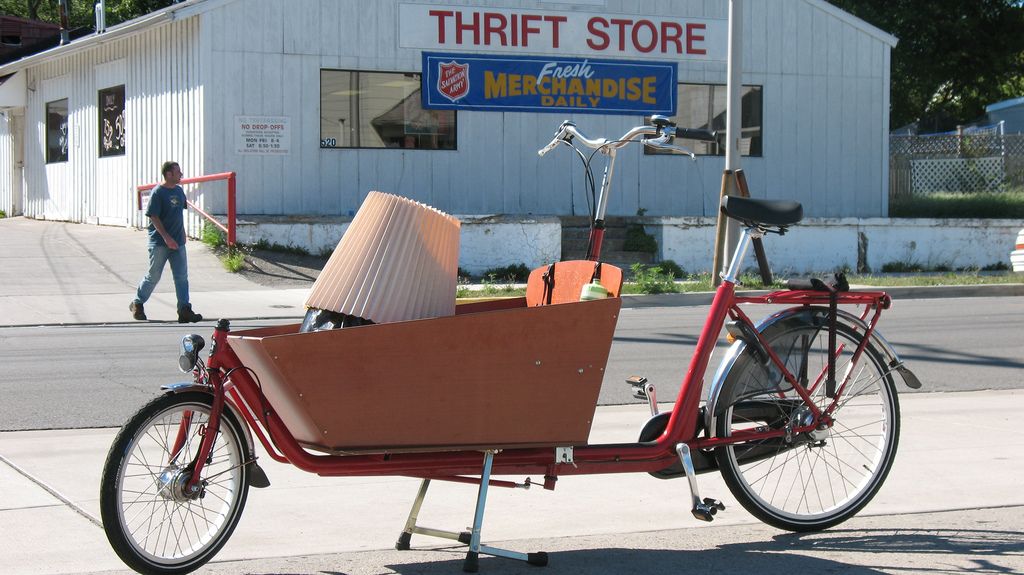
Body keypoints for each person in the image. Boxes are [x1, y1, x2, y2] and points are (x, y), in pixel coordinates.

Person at [129, 161, 203, 323]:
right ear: (168, 174)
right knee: (154, 275)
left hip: (178, 243)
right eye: (178, 172)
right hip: (159, 243)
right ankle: (137, 303)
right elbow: (154, 217)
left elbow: (178, 215)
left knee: (181, 277)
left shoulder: (178, 191)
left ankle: (184, 309)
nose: (181, 174)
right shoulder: (157, 192)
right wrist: (166, 237)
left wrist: (182, 233)